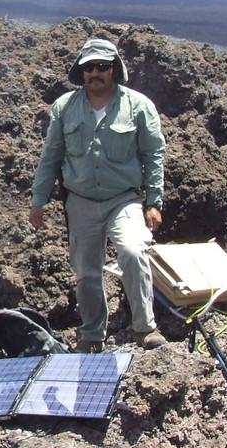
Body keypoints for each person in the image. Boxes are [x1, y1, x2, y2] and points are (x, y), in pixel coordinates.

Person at [29, 38, 167, 352]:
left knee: (133, 251)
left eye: (102, 66)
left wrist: (154, 201)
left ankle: (145, 328)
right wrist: (39, 200)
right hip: (80, 202)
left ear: (115, 70)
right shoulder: (65, 107)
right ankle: (91, 335)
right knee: (86, 271)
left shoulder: (138, 106)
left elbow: (154, 154)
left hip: (124, 199)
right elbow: (51, 156)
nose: (95, 73)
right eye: (89, 67)